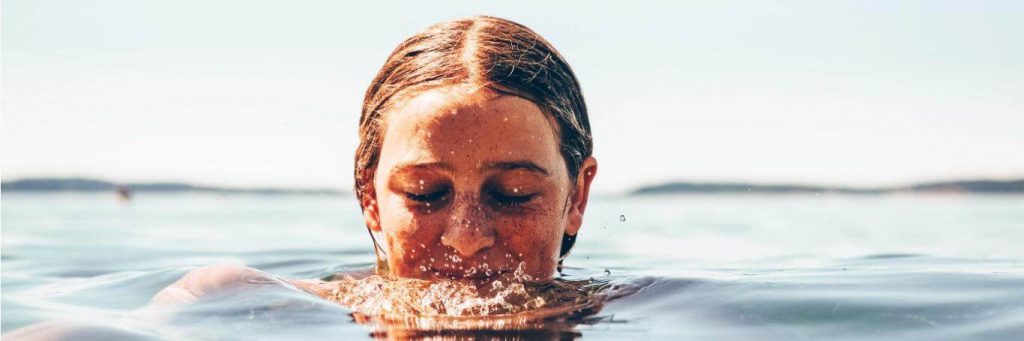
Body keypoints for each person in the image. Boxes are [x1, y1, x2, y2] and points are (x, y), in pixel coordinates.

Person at [152, 14, 598, 307]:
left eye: (512, 194)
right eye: (426, 193)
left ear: (576, 198)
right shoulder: (254, 300)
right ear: (370, 197)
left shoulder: (635, 308)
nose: (466, 237)